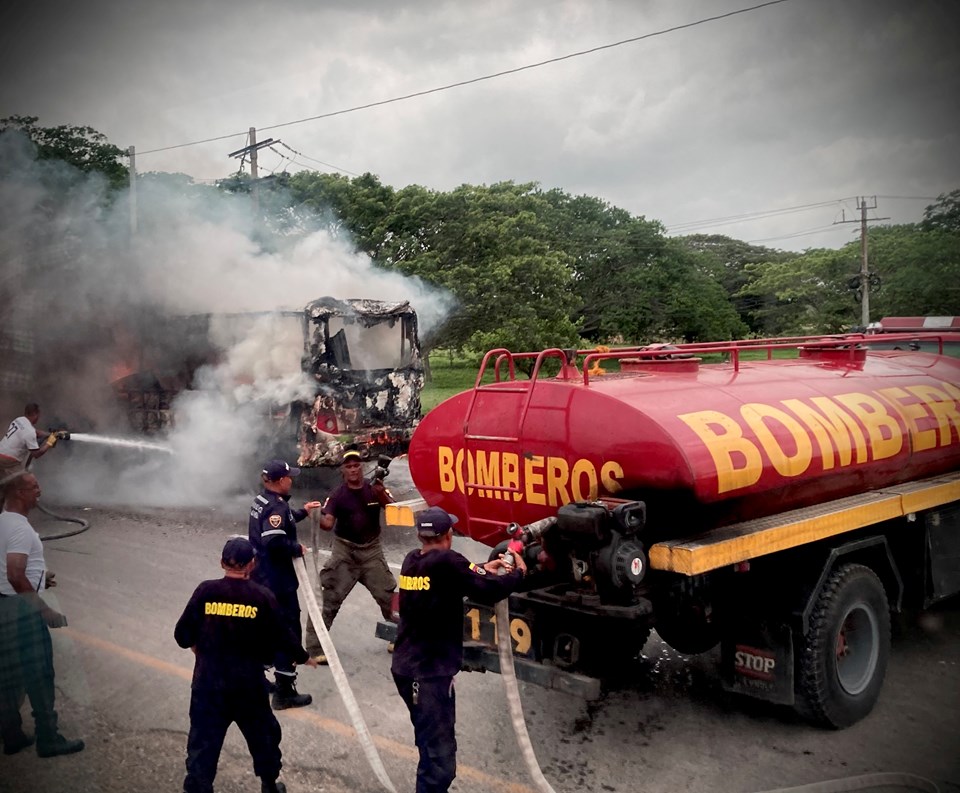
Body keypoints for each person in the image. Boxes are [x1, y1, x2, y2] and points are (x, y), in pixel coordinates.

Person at [391, 507, 526, 793]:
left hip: (406, 668)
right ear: (449, 535)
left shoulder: (412, 560)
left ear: (420, 535)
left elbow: (455, 575)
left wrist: (480, 569)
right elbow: (489, 591)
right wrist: (518, 575)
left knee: (428, 745)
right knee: (440, 763)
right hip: (428, 676)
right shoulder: (449, 562)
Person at [175, 537, 317, 793]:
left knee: (202, 742)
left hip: (208, 685)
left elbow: (182, 636)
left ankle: (198, 787)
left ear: (221, 563)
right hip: (248, 687)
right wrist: (304, 656)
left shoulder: (205, 591)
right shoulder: (261, 596)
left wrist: (201, 649)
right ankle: (269, 784)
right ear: (252, 564)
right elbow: (282, 635)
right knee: (264, 737)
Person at [0, 471, 84, 757]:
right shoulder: (21, 529)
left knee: (8, 675)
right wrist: (44, 609)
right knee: (39, 673)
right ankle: (48, 738)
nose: (40, 491)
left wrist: (39, 577)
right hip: (20, 609)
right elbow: (14, 574)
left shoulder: (2, 522)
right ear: (19, 494)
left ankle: (11, 735)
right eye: (34, 487)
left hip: (4, 607)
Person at [304, 449, 396, 664]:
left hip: (371, 550)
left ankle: (399, 638)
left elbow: (394, 510)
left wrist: (381, 493)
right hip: (345, 552)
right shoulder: (338, 495)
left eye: (356, 465)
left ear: (362, 467)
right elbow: (328, 524)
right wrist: (313, 514)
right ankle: (315, 649)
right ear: (343, 470)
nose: (353, 469)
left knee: (389, 597)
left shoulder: (374, 488)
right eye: (349, 466)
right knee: (328, 600)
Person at [248, 459, 321, 710]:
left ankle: (256, 679)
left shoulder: (263, 501)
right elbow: (274, 541)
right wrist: (296, 548)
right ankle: (284, 692)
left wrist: (303, 512)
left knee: (263, 631)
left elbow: (277, 522)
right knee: (286, 633)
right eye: (290, 477)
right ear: (280, 481)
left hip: (261, 578)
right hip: (278, 582)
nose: (292, 480)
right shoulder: (276, 507)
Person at [0, 403, 58, 490]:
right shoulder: (29, 432)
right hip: (9, 461)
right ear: (35, 414)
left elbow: (36, 432)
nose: (38, 417)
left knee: (4, 483)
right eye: (38, 415)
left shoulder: (19, 420)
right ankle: (23, 501)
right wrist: (49, 443)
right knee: (25, 482)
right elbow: (36, 454)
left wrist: (50, 435)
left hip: (1, 452)